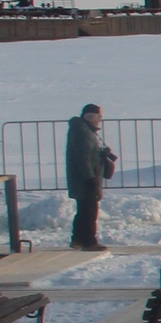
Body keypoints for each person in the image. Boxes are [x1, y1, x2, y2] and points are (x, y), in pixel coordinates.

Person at [65, 103, 116, 250]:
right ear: (92, 117)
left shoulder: (83, 130)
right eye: (99, 117)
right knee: (89, 210)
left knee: (84, 210)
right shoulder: (83, 133)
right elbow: (83, 158)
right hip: (86, 179)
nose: (100, 120)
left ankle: (78, 239)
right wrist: (90, 178)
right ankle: (88, 241)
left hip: (83, 178)